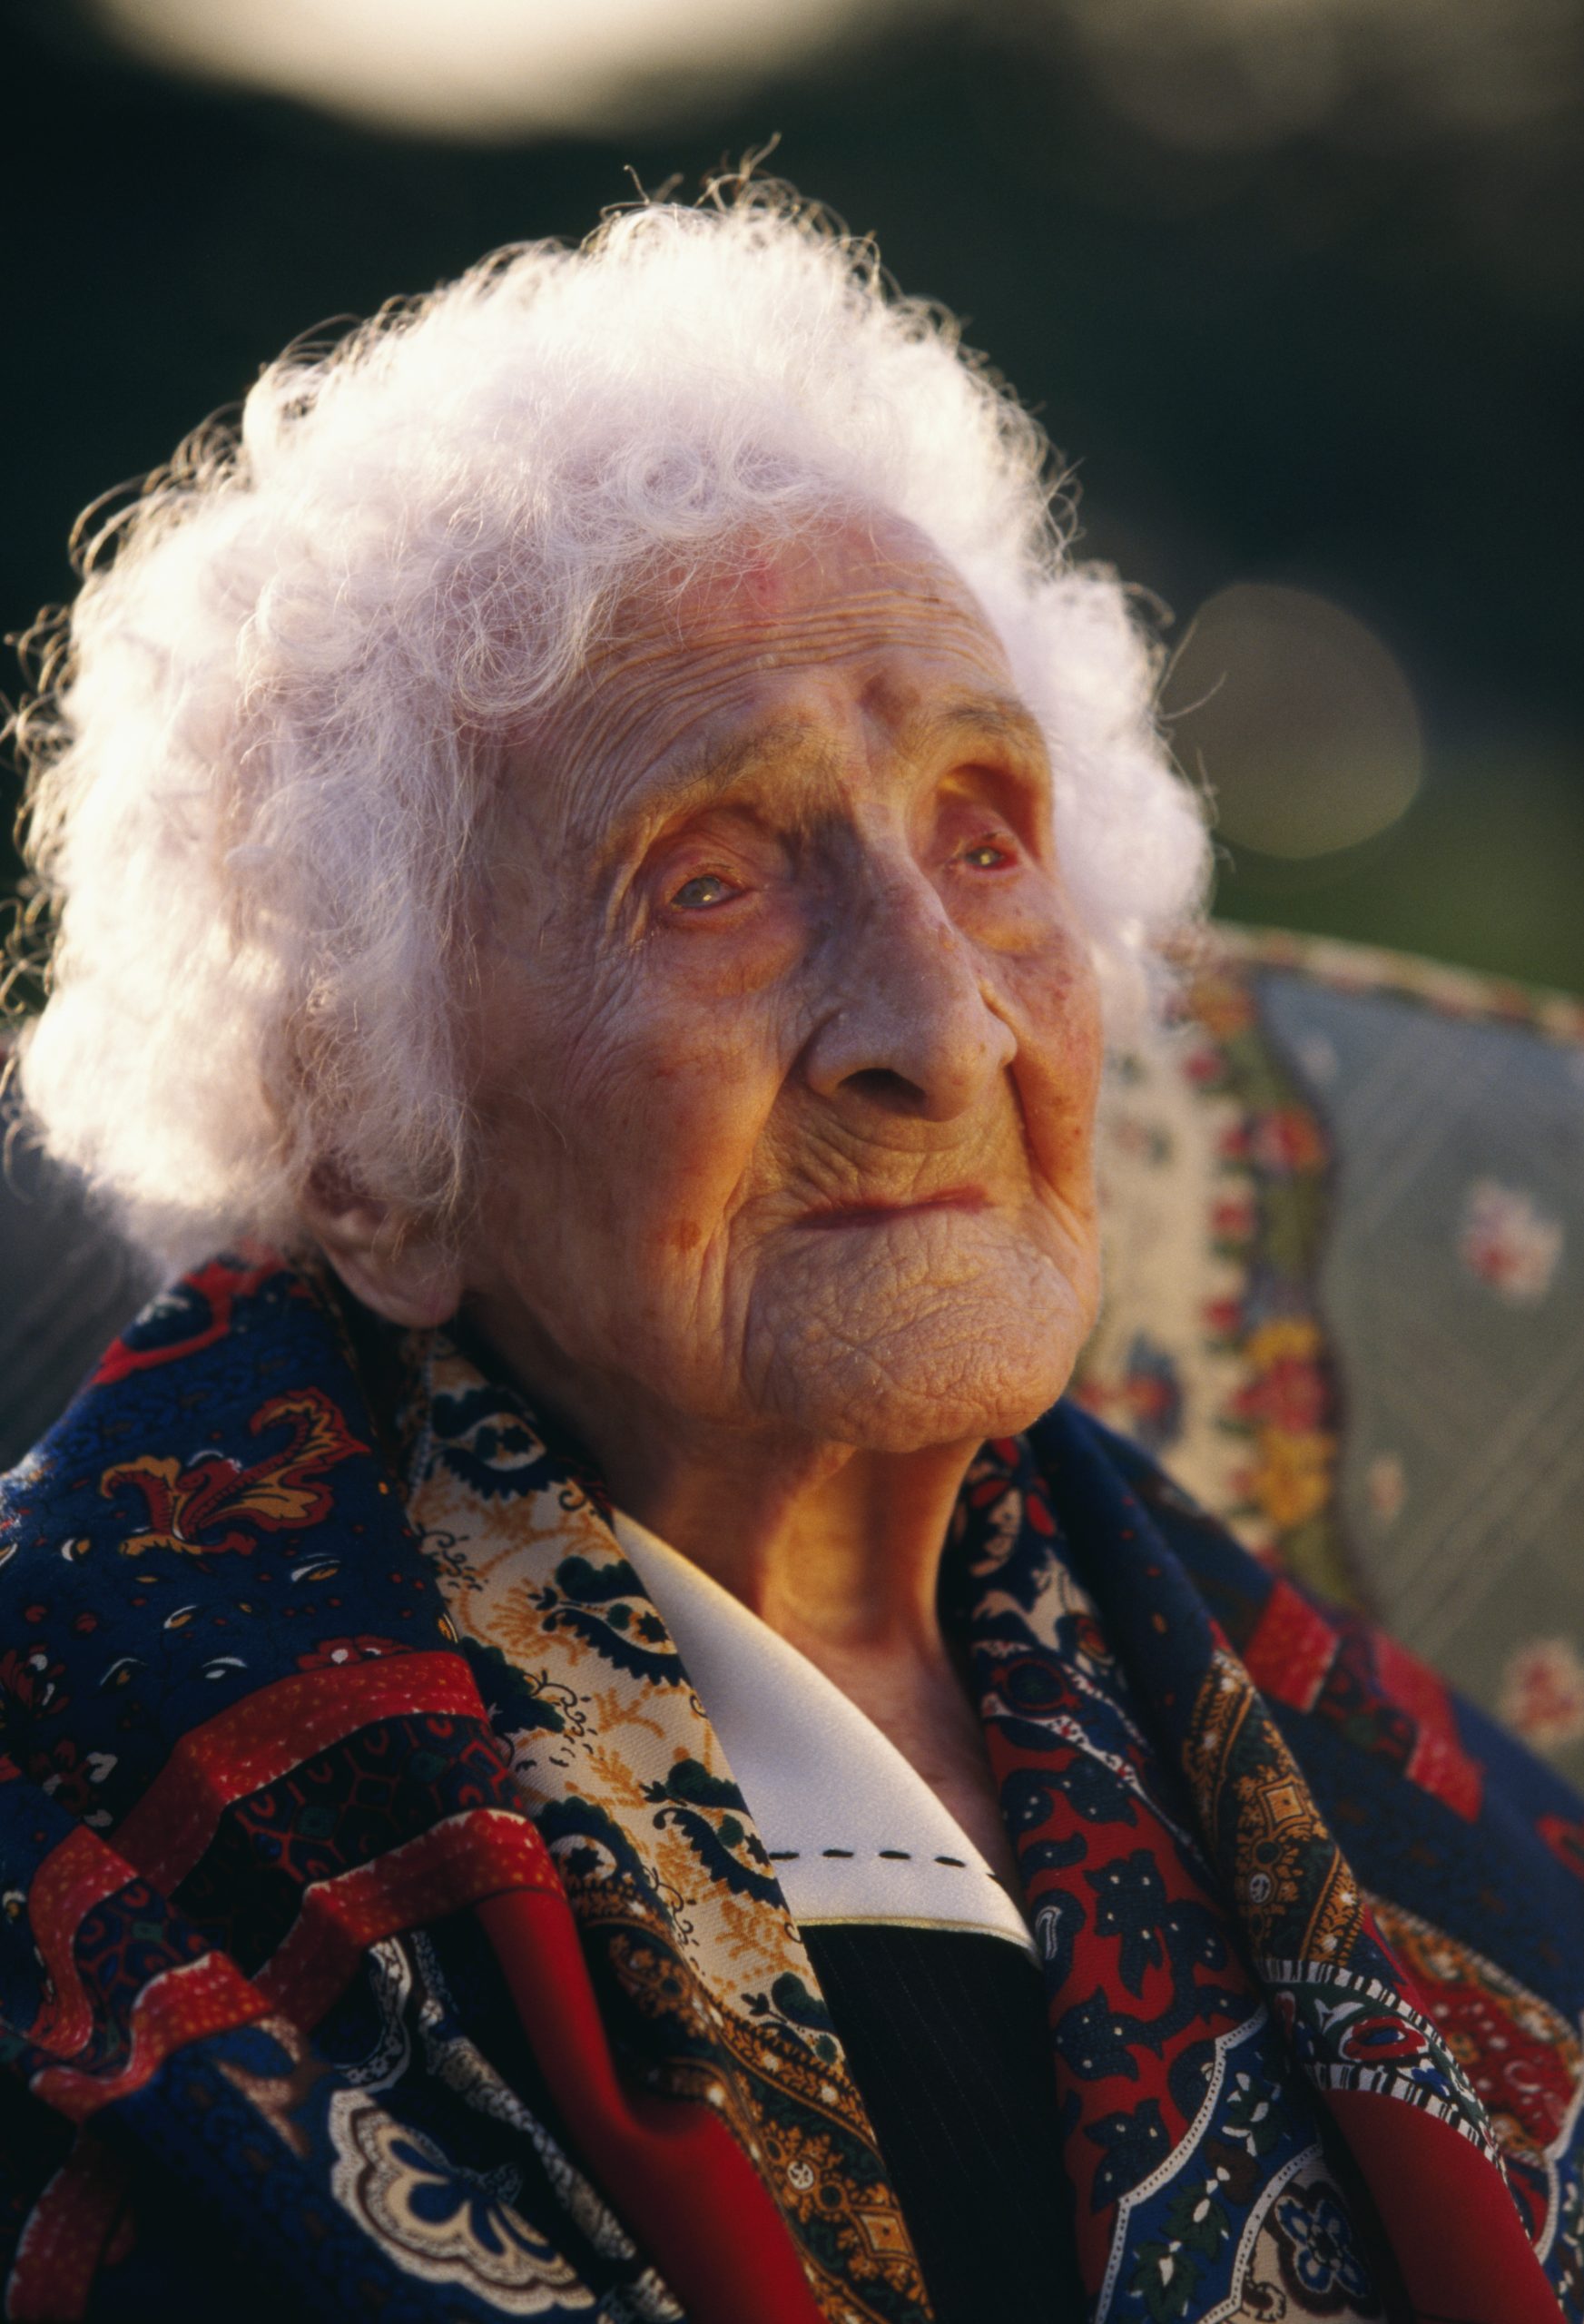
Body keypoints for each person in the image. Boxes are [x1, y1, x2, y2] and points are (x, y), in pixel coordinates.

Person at [1, 183, 1580, 2324]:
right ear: (372, 1155)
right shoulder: (98, 1808)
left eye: (984, 836)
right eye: (713, 883)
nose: (938, 1025)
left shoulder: (1319, 1751)